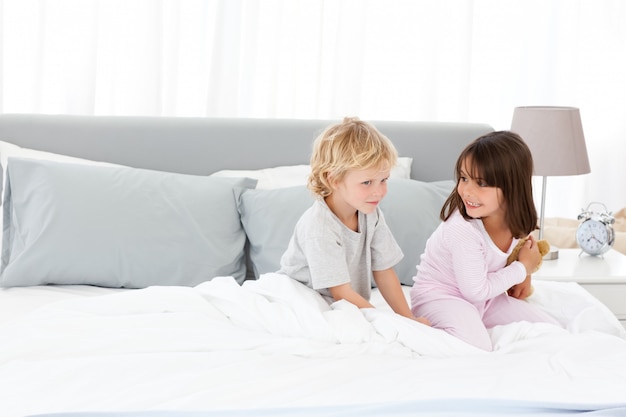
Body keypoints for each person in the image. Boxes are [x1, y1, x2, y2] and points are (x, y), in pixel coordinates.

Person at [410, 130, 560, 351]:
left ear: (512, 187)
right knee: (476, 346)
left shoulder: (515, 220)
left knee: (550, 330)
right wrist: (521, 268)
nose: (467, 191)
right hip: (439, 297)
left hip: (485, 300)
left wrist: (525, 275)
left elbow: (523, 248)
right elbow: (476, 291)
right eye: (464, 178)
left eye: (481, 183)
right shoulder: (463, 230)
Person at [278, 117, 429, 325]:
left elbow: (384, 271)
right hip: (305, 300)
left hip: (341, 301)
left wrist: (408, 319)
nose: (379, 191)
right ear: (334, 179)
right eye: (367, 182)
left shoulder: (370, 214)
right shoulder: (320, 227)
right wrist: (389, 322)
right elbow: (340, 292)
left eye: (384, 180)